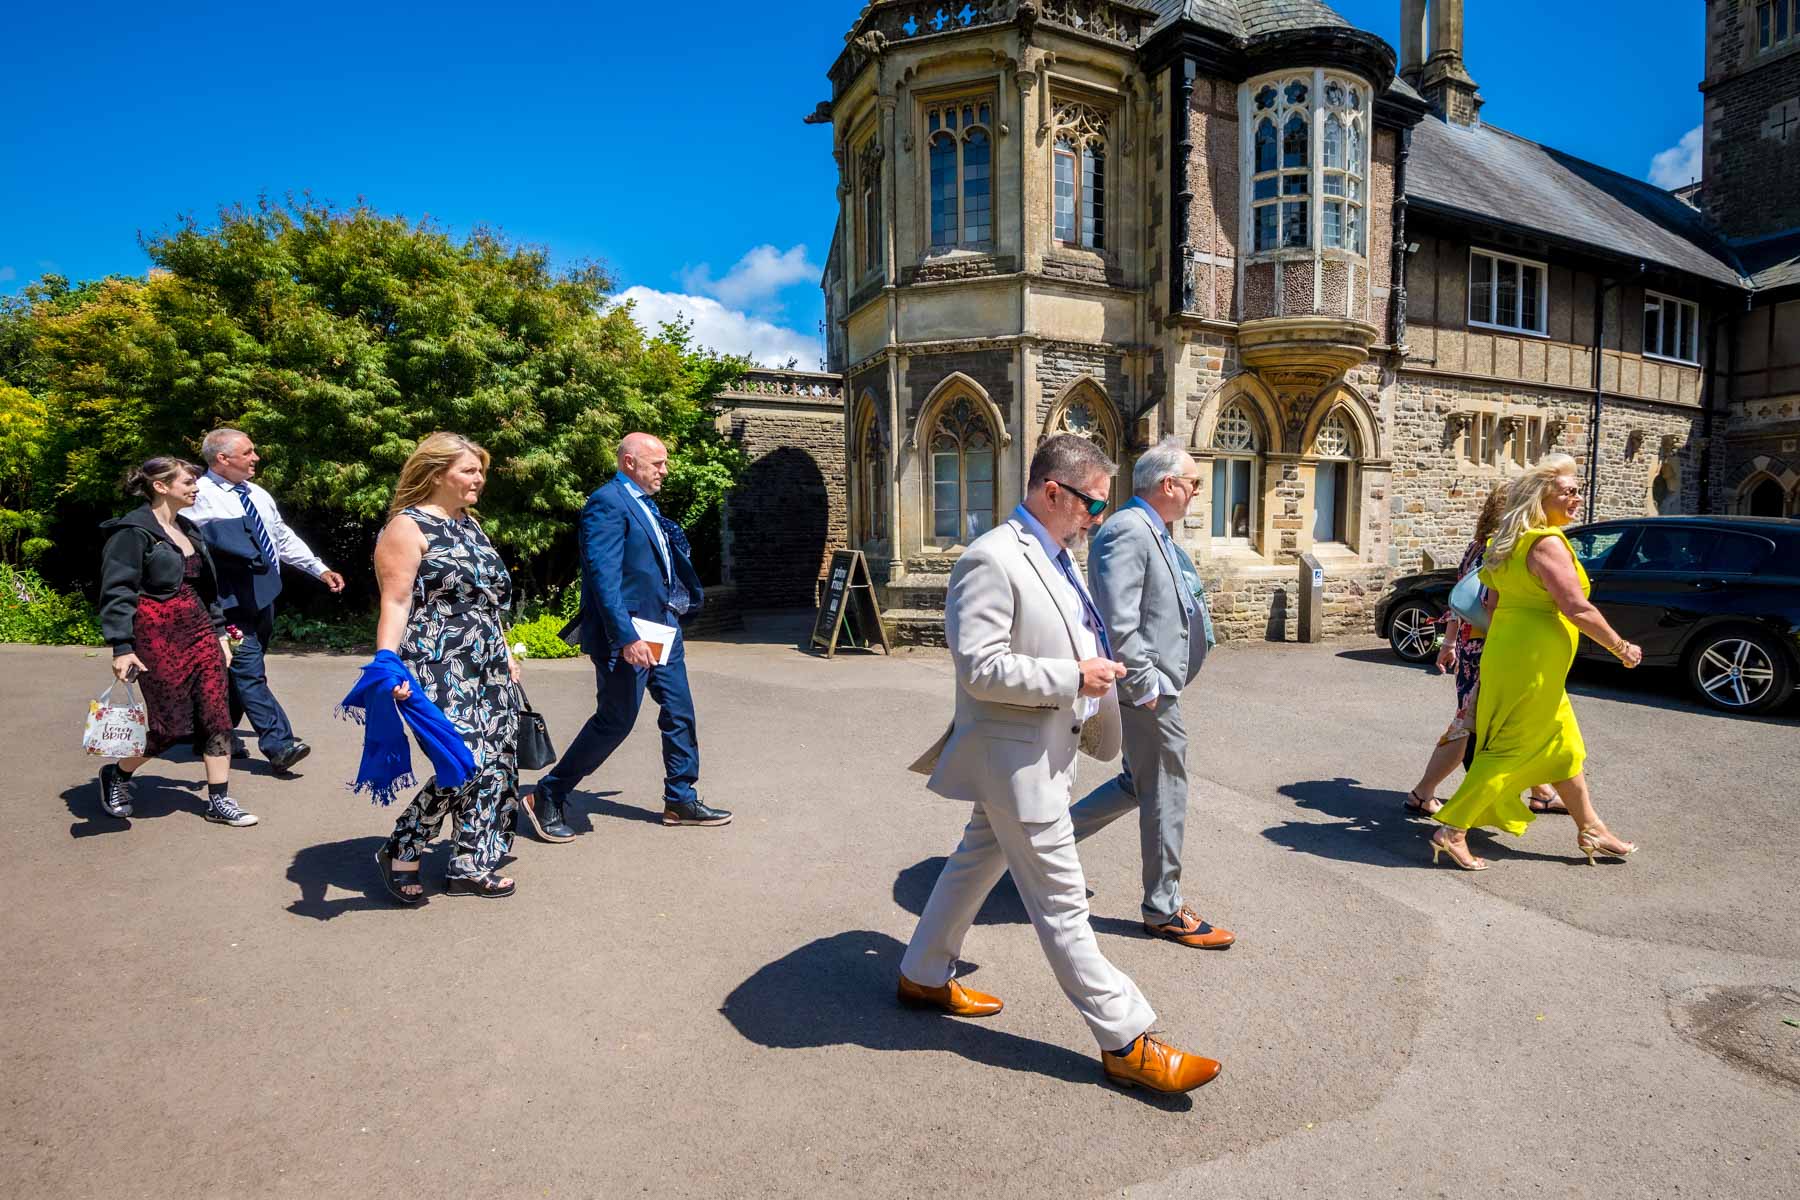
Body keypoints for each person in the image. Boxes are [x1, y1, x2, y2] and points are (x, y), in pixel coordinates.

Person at [898, 433, 1221, 1095]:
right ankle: (1127, 1040)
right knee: (1065, 907)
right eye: (1091, 504)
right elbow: (980, 668)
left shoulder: (1057, 551)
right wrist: (1074, 673)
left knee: (973, 863)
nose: (1097, 518)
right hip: (1014, 759)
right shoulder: (992, 558)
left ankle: (922, 973)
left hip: (1042, 750)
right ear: (1052, 491)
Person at [1429, 454, 1643, 870]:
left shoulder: (1505, 543)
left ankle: (1591, 827)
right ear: (1541, 497)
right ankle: (1451, 829)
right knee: (1510, 748)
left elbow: (1492, 606)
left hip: (1515, 653)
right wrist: (1621, 647)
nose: (1578, 498)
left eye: (1578, 490)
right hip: (1533, 661)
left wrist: (1511, 643)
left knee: (1564, 747)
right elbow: (1575, 607)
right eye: (1569, 491)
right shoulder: (1545, 543)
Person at [1065, 436, 1234, 950]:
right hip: (1149, 692)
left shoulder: (1148, 529)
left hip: (1156, 687)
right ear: (1168, 484)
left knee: (1139, 785)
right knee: (1167, 789)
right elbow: (1119, 621)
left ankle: (1034, 848)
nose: (1197, 493)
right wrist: (1146, 687)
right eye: (1194, 483)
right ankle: (1163, 909)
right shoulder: (1127, 531)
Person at [522, 432, 730, 837]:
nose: (665, 472)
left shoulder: (643, 504)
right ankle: (548, 793)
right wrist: (625, 637)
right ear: (630, 463)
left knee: (679, 711)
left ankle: (680, 798)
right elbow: (603, 578)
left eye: (665, 464)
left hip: (662, 627)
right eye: (658, 464)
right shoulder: (607, 503)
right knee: (615, 721)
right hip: (630, 634)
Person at [371, 433, 522, 902]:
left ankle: (469, 865)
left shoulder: (471, 525)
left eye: (480, 471)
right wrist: (388, 664)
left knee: (497, 762)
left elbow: (489, 603)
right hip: (435, 659)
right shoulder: (407, 527)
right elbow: (395, 601)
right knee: (464, 760)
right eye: (469, 470)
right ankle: (403, 846)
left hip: (488, 660)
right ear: (437, 474)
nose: (479, 478)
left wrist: (507, 651)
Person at [96, 457, 258, 828]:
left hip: (199, 631)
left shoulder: (188, 529)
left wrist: (219, 633)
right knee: (169, 726)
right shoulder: (132, 532)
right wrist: (122, 646)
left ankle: (219, 800)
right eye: (188, 482)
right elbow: (117, 591)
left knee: (217, 715)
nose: (196, 487)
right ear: (161, 486)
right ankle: (117, 775)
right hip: (155, 634)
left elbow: (207, 589)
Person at [189, 428, 346, 774]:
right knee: (249, 670)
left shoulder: (257, 493)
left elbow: (281, 537)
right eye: (248, 452)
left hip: (263, 597)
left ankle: (212, 734)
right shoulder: (199, 496)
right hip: (228, 601)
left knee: (237, 672)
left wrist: (318, 569)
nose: (255, 458)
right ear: (222, 459)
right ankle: (280, 743)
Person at [1403, 485, 1561, 816]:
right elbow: (1490, 604)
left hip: (1471, 645)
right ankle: (1424, 791)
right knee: (1473, 725)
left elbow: (1460, 599)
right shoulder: (1502, 549)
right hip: (1493, 648)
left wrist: (1449, 642)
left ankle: (1541, 790)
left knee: (1496, 722)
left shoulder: (1476, 546)